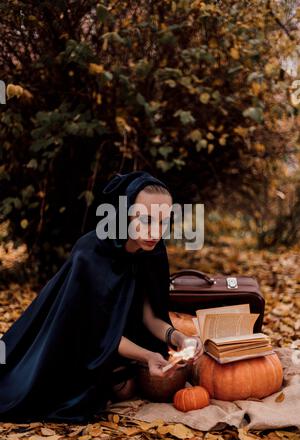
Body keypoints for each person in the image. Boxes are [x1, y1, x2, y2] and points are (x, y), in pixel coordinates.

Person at [0, 171, 203, 423]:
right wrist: (147, 356)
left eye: (163, 222)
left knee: (129, 388)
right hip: (71, 342)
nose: (155, 231)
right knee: (73, 396)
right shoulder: (91, 252)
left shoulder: (153, 251)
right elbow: (94, 332)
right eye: (146, 220)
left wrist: (181, 338)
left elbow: (150, 317)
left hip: (115, 339)